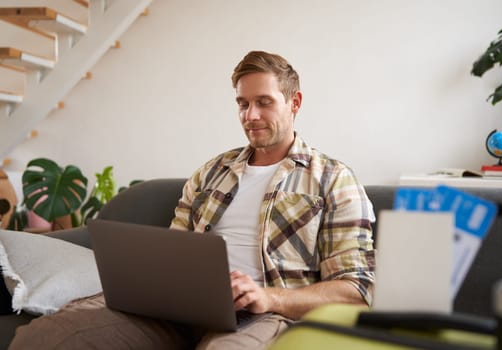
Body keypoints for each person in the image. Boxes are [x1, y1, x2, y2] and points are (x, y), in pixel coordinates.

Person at [9, 51, 375, 350]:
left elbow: (355, 291)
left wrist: (268, 297)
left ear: (294, 102)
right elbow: (173, 251)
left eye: (264, 102)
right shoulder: (211, 172)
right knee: (44, 337)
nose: (251, 116)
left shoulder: (333, 179)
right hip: (177, 310)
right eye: (243, 103)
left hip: (262, 314)